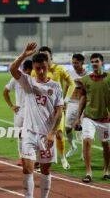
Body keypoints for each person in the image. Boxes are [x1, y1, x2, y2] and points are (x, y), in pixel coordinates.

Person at [10, 42, 64, 198]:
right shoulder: (28, 82)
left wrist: (52, 133)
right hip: (29, 133)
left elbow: (59, 111)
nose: (40, 71)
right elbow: (13, 70)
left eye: (43, 68)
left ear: (48, 66)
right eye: (37, 68)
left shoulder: (56, 86)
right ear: (33, 67)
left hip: (46, 135)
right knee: (27, 169)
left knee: (46, 170)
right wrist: (24, 55)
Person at [31, 46, 74, 170]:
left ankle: (62, 157)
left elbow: (72, 83)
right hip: (42, 110)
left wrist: (66, 99)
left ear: (51, 57)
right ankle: (39, 160)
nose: (43, 57)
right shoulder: (34, 71)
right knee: (40, 135)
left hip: (57, 108)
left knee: (59, 134)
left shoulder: (59, 69)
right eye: (41, 55)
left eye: (46, 55)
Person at [73, 53, 110, 183]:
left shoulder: (109, 78)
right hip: (89, 117)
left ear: (102, 63)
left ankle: (106, 170)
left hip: (106, 118)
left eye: (97, 61)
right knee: (87, 141)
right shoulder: (86, 80)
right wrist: (78, 117)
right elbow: (82, 98)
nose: (94, 63)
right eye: (92, 61)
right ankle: (88, 172)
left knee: (106, 145)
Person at [3, 59, 33, 166]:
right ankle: (21, 157)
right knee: (20, 135)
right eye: (28, 71)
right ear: (24, 69)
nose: (29, 73)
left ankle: (32, 157)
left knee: (33, 135)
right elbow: (5, 91)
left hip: (32, 112)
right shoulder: (15, 79)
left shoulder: (34, 78)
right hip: (19, 111)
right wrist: (11, 105)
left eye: (31, 71)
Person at [65, 54, 88, 159]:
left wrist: (81, 84)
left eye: (76, 63)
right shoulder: (70, 73)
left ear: (82, 63)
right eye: (73, 62)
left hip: (84, 103)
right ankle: (73, 146)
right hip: (72, 102)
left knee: (83, 129)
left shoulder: (88, 74)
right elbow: (66, 86)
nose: (74, 65)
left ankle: (84, 153)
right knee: (67, 128)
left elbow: (90, 89)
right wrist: (63, 100)